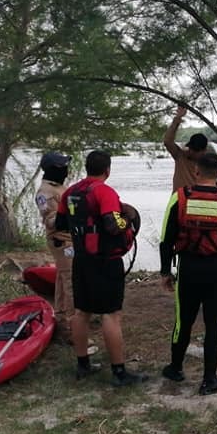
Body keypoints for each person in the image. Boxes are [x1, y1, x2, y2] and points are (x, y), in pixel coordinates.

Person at [158, 152, 217, 396]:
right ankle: (209, 379)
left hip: (189, 268)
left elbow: (166, 240)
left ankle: (175, 369)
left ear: (196, 171)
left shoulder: (179, 198)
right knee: (214, 324)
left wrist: (165, 271)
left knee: (183, 321)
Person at [55, 150, 146, 387]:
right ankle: (119, 373)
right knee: (111, 314)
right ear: (107, 169)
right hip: (105, 261)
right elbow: (113, 225)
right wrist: (128, 217)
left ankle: (83, 365)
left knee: (82, 312)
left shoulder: (71, 192)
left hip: (81, 260)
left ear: (87, 168)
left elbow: (61, 223)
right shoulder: (104, 191)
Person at [35, 151, 75, 342]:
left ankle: (61, 319)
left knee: (62, 279)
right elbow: (51, 220)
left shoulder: (58, 187)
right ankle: (73, 328)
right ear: (52, 170)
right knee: (71, 282)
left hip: (69, 239)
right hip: (62, 241)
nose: (66, 171)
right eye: (62, 167)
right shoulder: (46, 192)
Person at [164, 104, 209, 190]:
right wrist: (178, 118)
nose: (191, 151)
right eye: (191, 148)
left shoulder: (208, 165)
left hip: (197, 201)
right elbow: (167, 141)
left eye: (195, 150)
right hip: (179, 201)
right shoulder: (180, 156)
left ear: (204, 151)